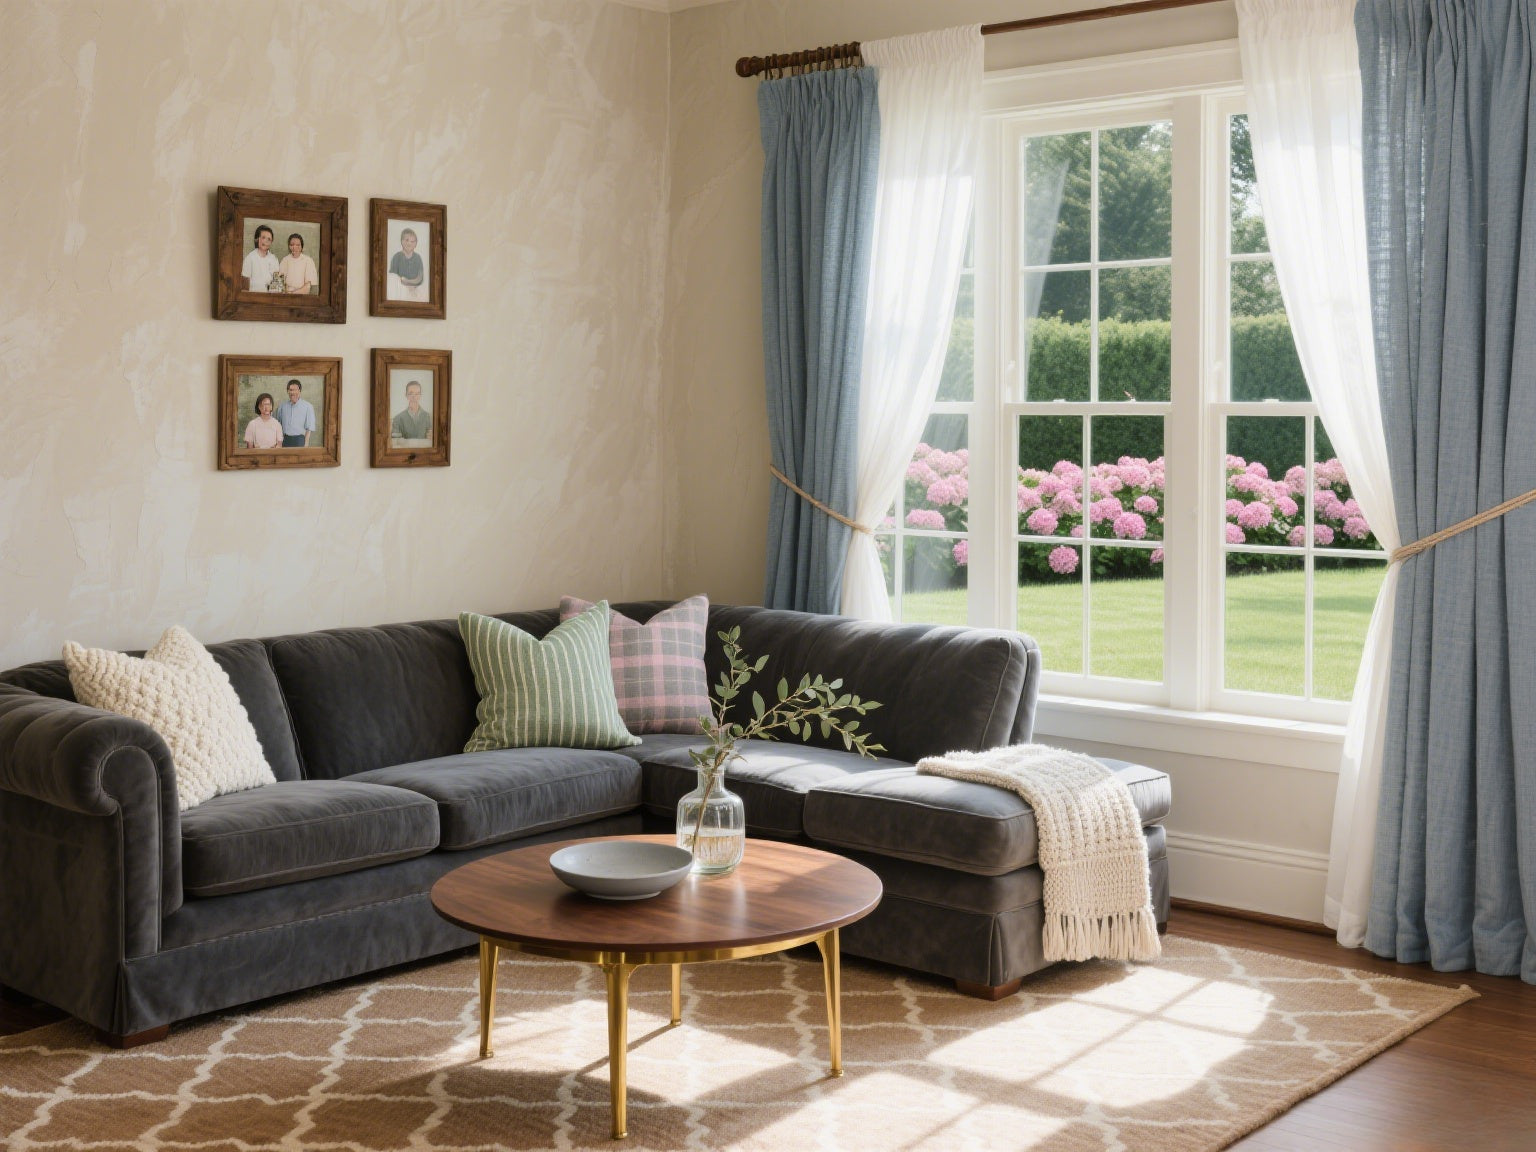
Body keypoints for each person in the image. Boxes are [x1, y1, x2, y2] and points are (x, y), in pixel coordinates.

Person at [387, 227, 427, 301]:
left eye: (412, 241)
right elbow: (392, 278)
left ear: (416, 244)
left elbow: (420, 278)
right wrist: (403, 285)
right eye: (407, 240)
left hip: (415, 288)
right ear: (402, 241)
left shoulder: (418, 258)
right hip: (399, 289)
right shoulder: (397, 257)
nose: (409, 243)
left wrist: (408, 282)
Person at [276, 379, 316, 448]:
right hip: (285, 440)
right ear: (288, 391)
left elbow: (309, 428)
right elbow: (277, 425)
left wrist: (305, 444)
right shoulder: (282, 406)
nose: (293, 392)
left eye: (295, 390)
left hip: (299, 441)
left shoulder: (308, 406)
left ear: (299, 391)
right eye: (291, 390)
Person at [241, 225, 280, 292]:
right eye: (263, 237)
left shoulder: (274, 259)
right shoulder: (250, 258)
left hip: (270, 296)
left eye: (269, 239)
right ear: (257, 239)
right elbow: (245, 286)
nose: (266, 241)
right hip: (253, 296)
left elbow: (277, 282)